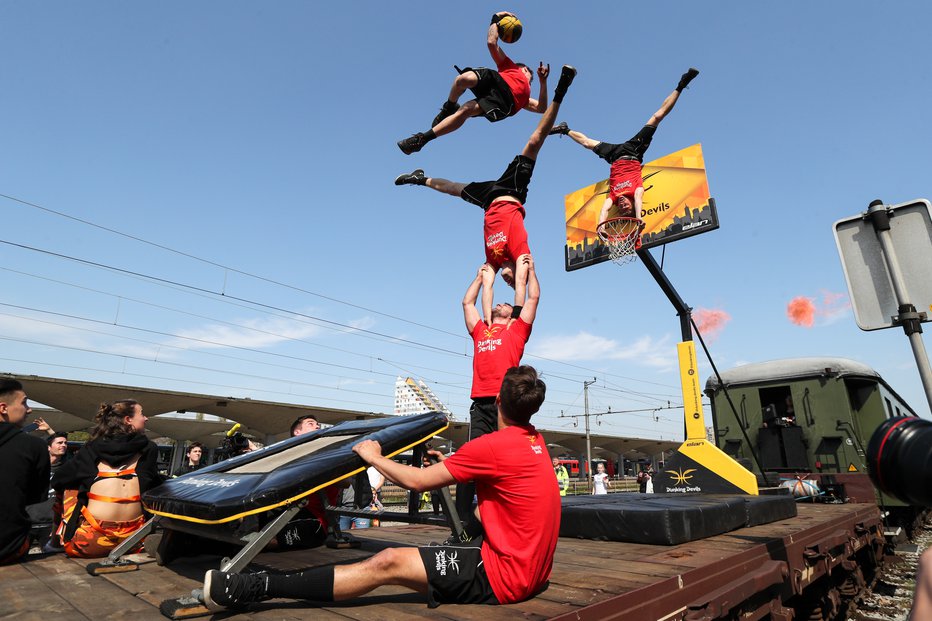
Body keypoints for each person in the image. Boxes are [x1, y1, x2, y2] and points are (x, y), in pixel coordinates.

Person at [203, 365, 555, 612]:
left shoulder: (491, 446)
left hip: (502, 578)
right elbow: (490, 503)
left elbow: (415, 482)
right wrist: (461, 539)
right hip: (533, 571)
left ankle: (260, 587)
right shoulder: (535, 441)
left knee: (387, 561)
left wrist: (374, 455)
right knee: (438, 542)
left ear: (497, 401)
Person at [395, 64, 577, 293]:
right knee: (534, 142)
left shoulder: (492, 261)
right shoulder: (521, 255)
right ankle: (562, 89)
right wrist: (519, 304)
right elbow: (524, 284)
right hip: (512, 191)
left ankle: (419, 179)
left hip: (489, 200)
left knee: (452, 188)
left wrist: (538, 84)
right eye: (514, 282)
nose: (509, 282)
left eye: (507, 283)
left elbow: (485, 287)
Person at [452, 258, 540, 538]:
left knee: (507, 462)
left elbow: (533, 296)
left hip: (506, 406)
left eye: (505, 304)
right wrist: (479, 278)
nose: (501, 302)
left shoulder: (516, 330)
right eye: (497, 302)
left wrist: (531, 272)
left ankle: (512, 518)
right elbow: (467, 303)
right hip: (480, 405)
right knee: (469, 462)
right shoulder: (480, 330)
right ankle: (463, 525)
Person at [549, 68, 699, 227]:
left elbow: (604, 210)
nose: (622, 205)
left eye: (620, 208)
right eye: (626, 206)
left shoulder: (613, 197)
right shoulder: (636, 192)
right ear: (631, 203)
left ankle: (564, 129)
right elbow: (640, 200)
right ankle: (681, 85)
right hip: (634, 152)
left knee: (586, 143)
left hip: (614, 157)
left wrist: (601, 225)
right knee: (656, 117)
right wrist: (639, 218)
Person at [397, 12, 549, 155]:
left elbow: (542, 108)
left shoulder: (525, 99)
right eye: (526, 70)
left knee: (466, 110)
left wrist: (543, 82)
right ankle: (449, 106)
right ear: (520, 68)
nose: (528, 72)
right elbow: (491, 42)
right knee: (463, 79)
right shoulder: (510, 66)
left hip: (505, 102)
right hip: (496, 80)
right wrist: (496, 18)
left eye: (529, 74)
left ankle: (422, 139)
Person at [52, 399, 161, 558]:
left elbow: (58, 480)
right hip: (137, 539)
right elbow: (152, 482)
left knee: (69, 489)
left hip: (89, 542)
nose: (146, 418)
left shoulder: (91, 449)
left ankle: (55, 541)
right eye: (142, 414)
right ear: (128, 420)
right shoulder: (148, 449)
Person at [0, 379, 50, 565]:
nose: (29, 409)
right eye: (24, 403)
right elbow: (34, 496)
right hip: (9, 548)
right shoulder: (34, 447)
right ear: (3, 408)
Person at [26, 432, 69, 551]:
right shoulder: (32, 467)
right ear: (48, 448)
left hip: (51, 524)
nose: (64, 445)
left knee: (55, 561)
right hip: (28, 522)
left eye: (65, 443)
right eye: (60, 443)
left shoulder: (66, 469)